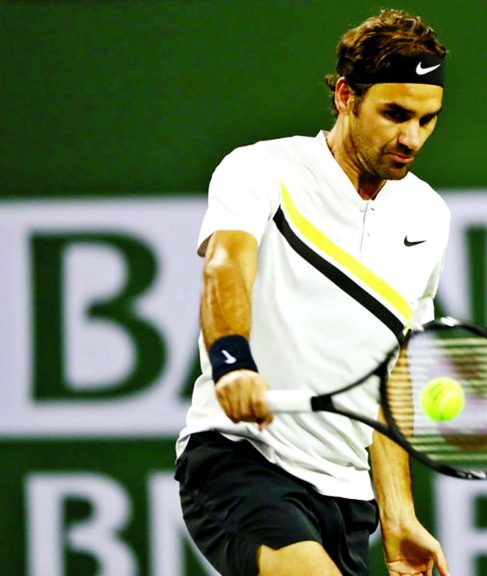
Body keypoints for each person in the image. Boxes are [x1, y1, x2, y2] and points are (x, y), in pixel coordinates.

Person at [174, 9, 452, 576]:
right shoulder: (260, 169)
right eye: (394, 115)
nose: (411, 138)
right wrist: (233, 361)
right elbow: (227, 264)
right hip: (243, 462)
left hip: (348, 495)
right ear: (346, 96)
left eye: (427, 120)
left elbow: (391, 372)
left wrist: (398, 514)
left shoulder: (429, 214)